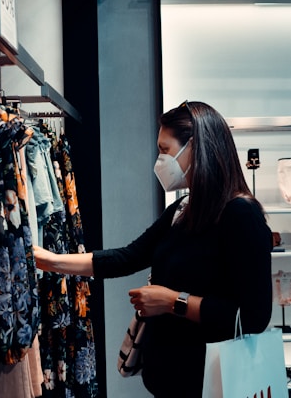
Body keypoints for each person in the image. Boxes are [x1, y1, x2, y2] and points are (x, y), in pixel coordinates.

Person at [34, 101, 273, 398]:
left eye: (165, 149)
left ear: (195, 147)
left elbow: (254, 317)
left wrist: (173, 301)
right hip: (169, 380)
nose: (160, 160)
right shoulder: (185, 209)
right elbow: (128, 256)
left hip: (214, 384)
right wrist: (50, 260)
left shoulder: (241, 215)